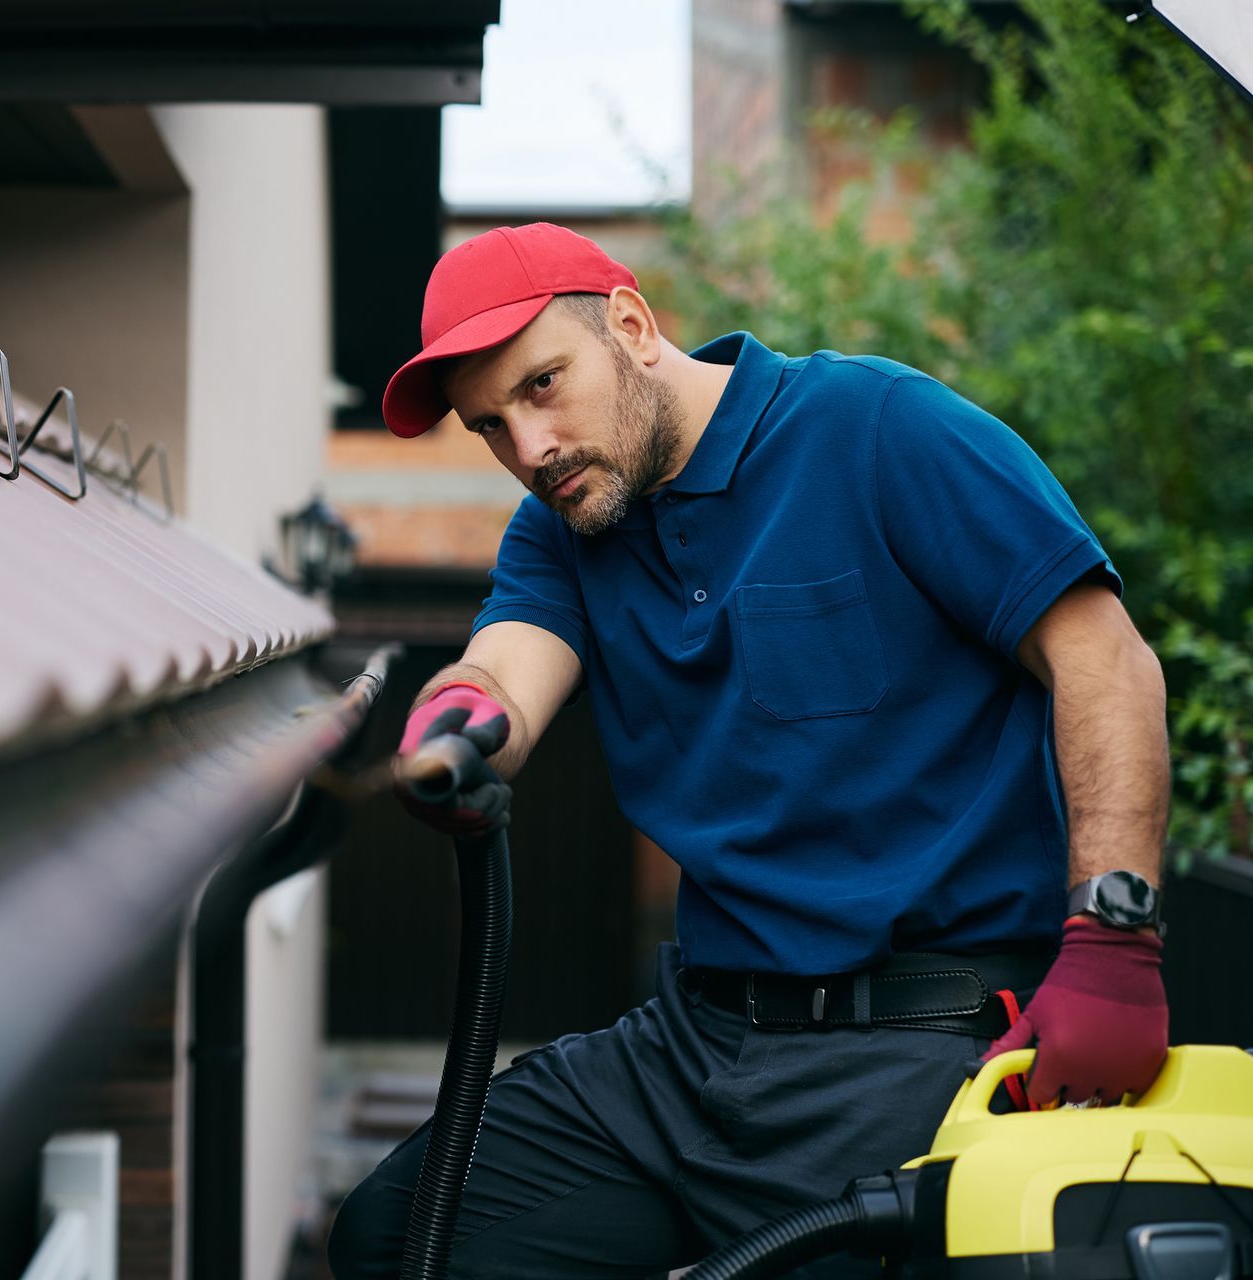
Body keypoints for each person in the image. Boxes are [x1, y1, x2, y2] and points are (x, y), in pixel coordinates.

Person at [327, 223, 1171, 1279]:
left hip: (918, 1045)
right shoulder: (564, 529)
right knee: (401, 1234)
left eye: (544, 385)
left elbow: (1104, 659)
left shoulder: (876, 429)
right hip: (694, 1049)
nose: (529, 448)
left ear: (631, 325)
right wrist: (455, 721)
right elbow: (508, 669)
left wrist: (1113, 938)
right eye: (491, 424)